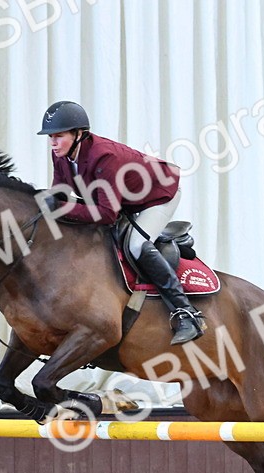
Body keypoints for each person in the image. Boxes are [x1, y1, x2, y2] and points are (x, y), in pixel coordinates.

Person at [38, 100, 205, 345]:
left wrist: (61, 207)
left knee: (136, 245)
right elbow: (60, 193)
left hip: (158, 195)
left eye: (59, 136)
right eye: (51, 136)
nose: (53, 142)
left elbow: (106, 214)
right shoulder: (62, 155)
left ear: (79, 134)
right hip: (125, 198)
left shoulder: (104, 156)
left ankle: (186, 313)